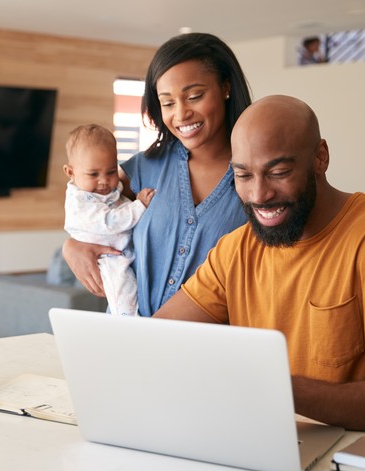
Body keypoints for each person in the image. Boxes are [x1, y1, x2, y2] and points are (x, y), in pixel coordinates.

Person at [154, 95, 365, 431]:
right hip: (256, 440)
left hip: (343, 460)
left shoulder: (359, 239)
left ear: (320, 158)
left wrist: (275, 387)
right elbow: (154, 339)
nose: (258, 195)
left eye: (278, 172)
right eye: (243, 175)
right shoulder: (234, 250)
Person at [63, 33, 252, 316]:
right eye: (167, 103)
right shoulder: (143, 168)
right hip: (133, 339)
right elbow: (88, 209)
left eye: (194, 96)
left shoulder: (256, 177)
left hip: (212, 347)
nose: (181, 113)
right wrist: (71, 246)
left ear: (226, 87)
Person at [63, 124, 155, 316]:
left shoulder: (102, 191)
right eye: (94, 174)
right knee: (124, 295)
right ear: (70, 172)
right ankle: (128, 325)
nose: (104, 181)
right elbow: (110, 222)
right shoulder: (80, 202)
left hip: (121, 252)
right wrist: (140, 206)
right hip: (107, 259)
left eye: (111, 171)